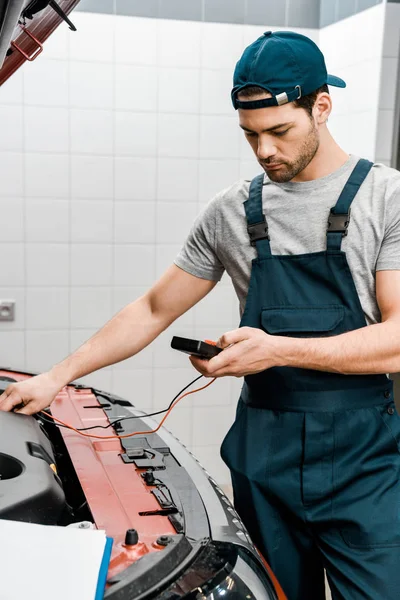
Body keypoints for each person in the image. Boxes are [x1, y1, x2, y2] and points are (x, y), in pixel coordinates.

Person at [2, 30, 400, 599]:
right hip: (265, 461)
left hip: (364, 463)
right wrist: (56, 377)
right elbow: (153, 308)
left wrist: (278, 349)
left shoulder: (386, 198)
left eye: (280, 132)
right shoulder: (232, 211)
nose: (265, 151)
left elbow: (397, 340)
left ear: (322, 106)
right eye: (251, 135)